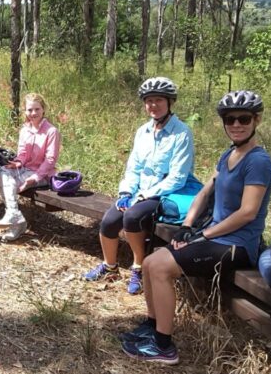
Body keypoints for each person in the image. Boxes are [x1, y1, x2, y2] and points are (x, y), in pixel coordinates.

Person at [120, 90, 271, 365]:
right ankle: (152, 326)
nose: (236, 125)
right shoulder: (229, 155)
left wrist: (203, 234)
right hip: (214, 235)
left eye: (244, 119)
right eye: (230, 119)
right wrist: (188, 226)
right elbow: (205, 192)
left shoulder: (258, 161)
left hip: (236, 244)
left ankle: (164, 346)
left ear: (257, 120)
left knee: (160, 267)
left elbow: (247, 213)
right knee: (148, 262)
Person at [84, 77, 196, 295]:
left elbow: (177, 177)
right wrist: (126, 191)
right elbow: (133, 167)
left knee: (132, 218)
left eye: (158, 100)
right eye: (149, 101)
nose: (153, 105)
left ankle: (138, 266)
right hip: (138, 190)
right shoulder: (143, 131)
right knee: (108, 221)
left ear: (170, 102)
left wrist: (145, 195)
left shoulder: (181, 133)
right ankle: (110, 266)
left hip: (162, 193)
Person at [0, 93, 61, 241]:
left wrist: (34, 178)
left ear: (43, 109)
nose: (33, 113)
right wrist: (18, 162)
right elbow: (23, 153)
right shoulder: (25, 129)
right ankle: (14, 213)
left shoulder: (51, 131)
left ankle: (16, 222)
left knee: (7, 184)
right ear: (25, 111)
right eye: (30, 110)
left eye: (37, 109)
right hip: (25, 169)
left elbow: (50, 159)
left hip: (43, 174)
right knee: (4, 171)